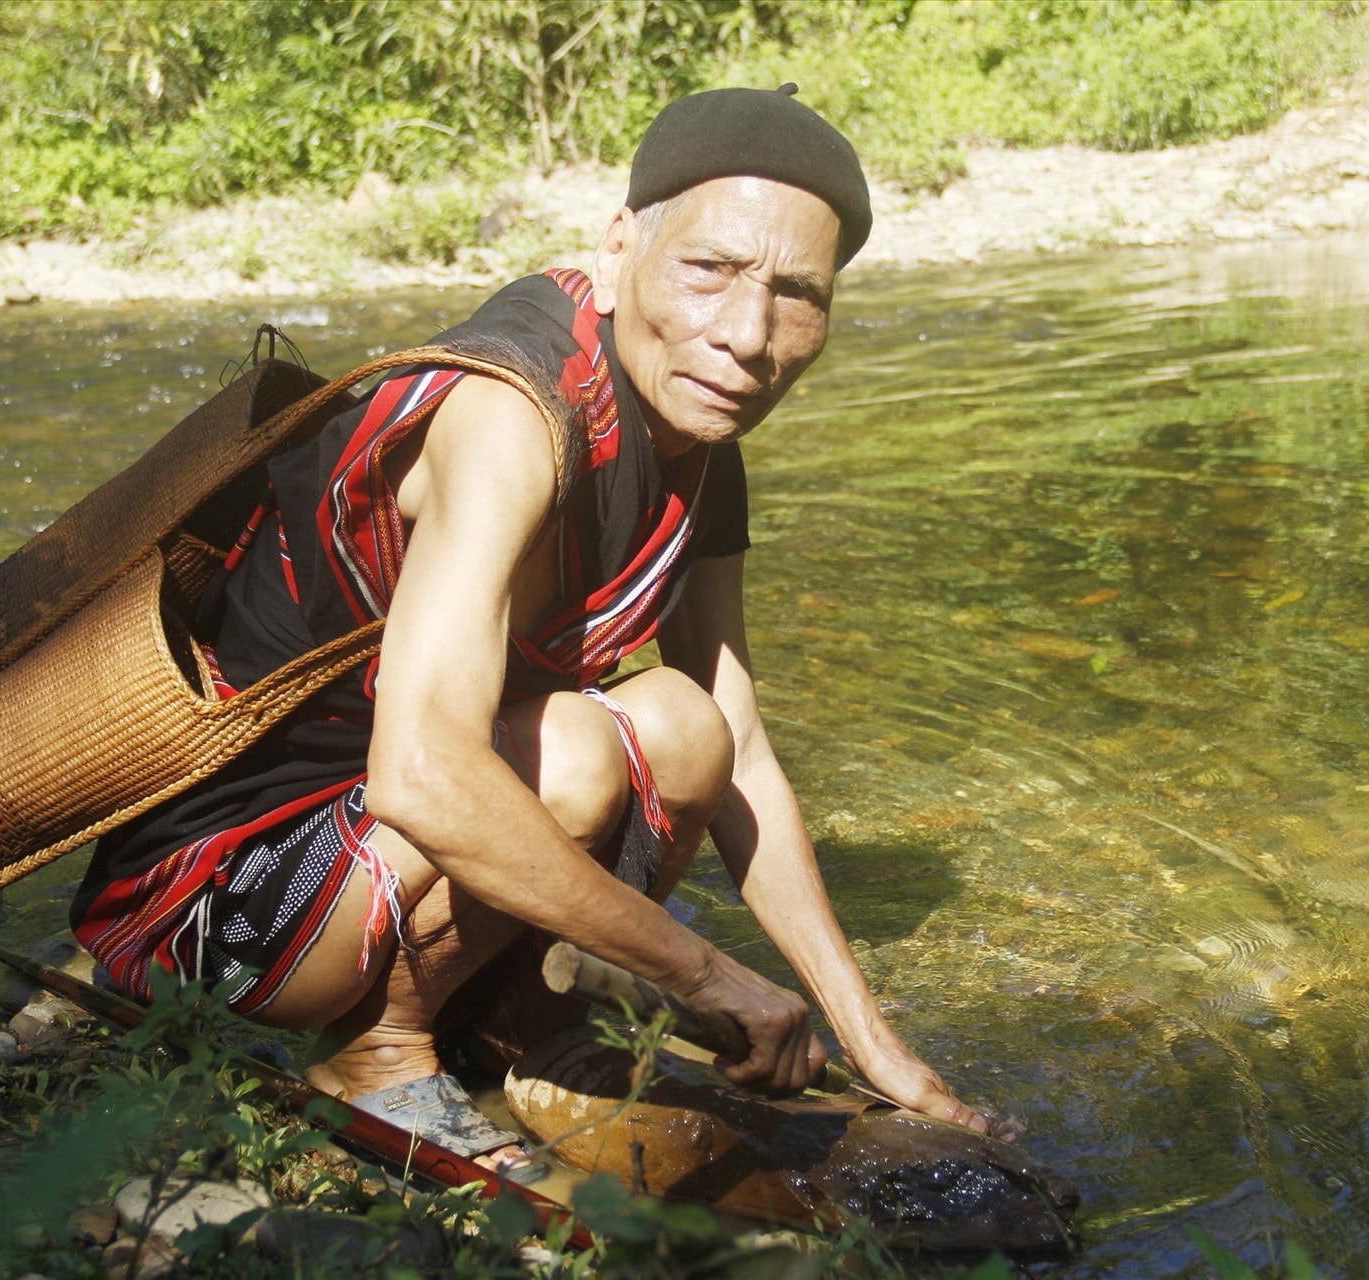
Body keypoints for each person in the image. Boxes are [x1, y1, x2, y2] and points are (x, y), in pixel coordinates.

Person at [70, 86, 999, 1181]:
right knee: (580, 751)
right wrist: (712, 976)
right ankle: (381, 1049)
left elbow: (737, 746)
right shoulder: (510, 419)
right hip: (210, 904)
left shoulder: (698, 422)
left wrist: (873, 1041)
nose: (748, 335)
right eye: (710, 270)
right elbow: (421, 776)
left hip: (363, 861)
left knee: (685, 725)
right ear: (616, 253)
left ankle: (504, 1015)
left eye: (798, 294)